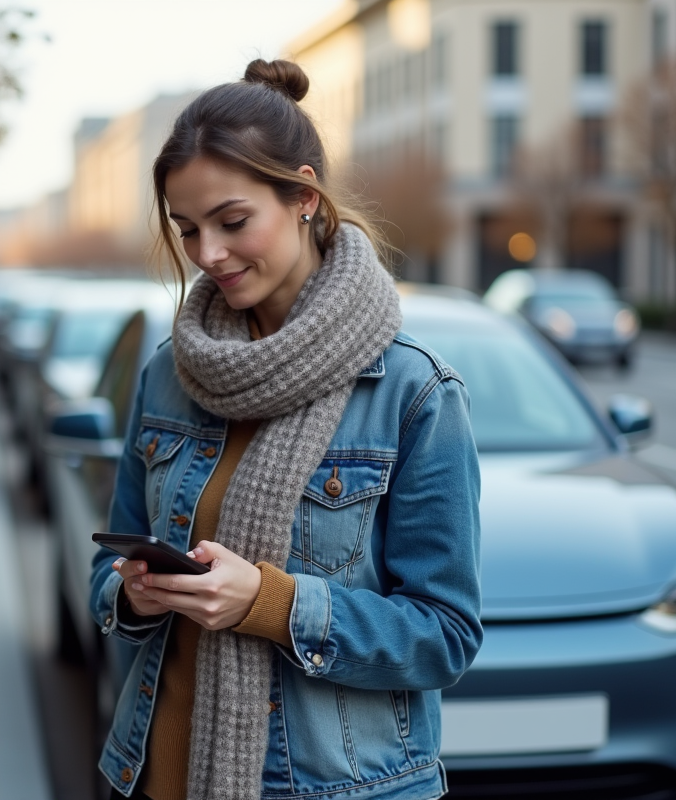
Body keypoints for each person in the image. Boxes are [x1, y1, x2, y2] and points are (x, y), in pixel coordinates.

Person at [89, 59, 482, 800]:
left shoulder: (413, 392)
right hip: (148, 776)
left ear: (303, 195)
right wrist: (134, 594)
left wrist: (269, 604)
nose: (208, 254)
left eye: (233, 222)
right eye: (188, 230)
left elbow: (444, 635)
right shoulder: (171, 373)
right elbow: (104, 575)